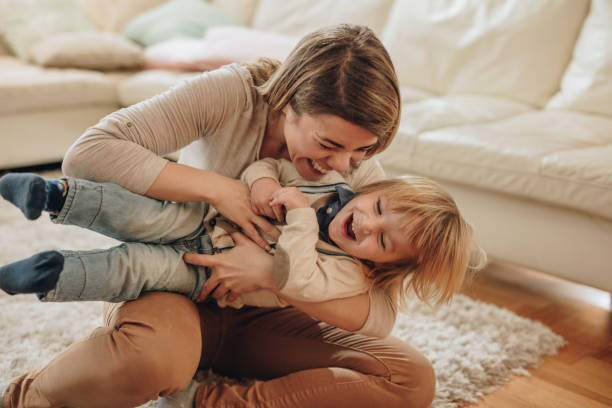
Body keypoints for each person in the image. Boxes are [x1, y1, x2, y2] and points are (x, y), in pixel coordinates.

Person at [1, 24, 440, 408]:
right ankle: (27, 398)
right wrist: (222, 190)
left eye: (361, 150)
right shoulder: (233, 93)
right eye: (328, 145)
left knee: (410, 379)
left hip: (265, 315)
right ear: (287, 99)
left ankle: (209, 402)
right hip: (174, 283)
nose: (344, 166)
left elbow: (381, 313)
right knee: (152, 362)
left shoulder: (357, 174)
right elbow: (87, 156)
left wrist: (272, 274)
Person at [0, 163, 479, 308]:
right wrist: (267, 183)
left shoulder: (351, 276)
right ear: (372, 191)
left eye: (383, 240)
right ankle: (53, 195)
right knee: (145, 216)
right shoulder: (331, 187)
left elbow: (296, 281)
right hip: (204, 220)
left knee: (136, 268)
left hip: (208, 277)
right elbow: (265, 165)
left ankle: (49, 275)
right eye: (376, 208)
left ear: (384, 264)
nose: (367, 224)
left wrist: (302, 222)